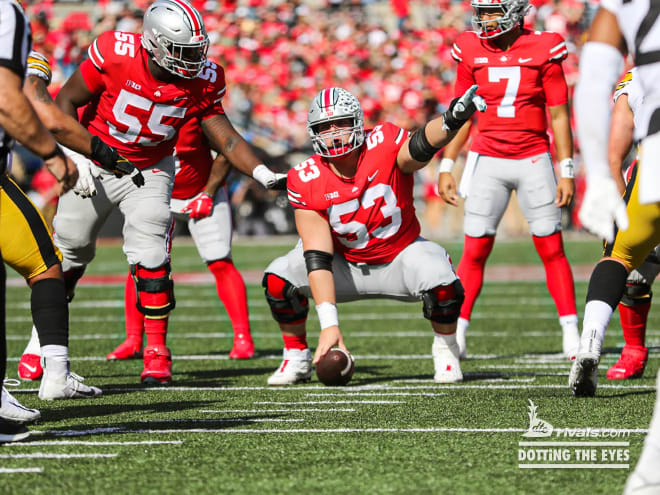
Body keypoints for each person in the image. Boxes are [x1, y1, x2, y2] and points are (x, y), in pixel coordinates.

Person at [50, 0, 283, 385]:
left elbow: (224, 138)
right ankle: (41, 344)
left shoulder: (203, 78)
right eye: (183, 50)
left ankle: (157, 352)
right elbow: (66, 102)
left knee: (153, 250)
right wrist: (74, 155)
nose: (193, 58)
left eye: (197, 49)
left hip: (151, 166)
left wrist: (262, 172)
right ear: (154, 43)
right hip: (96, 155)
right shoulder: (115, 52)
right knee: (70, 250)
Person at [262, 85, 486, 385]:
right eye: (324, 127)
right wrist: (329, 325)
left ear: (357, 122)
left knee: (443, 282)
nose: (334, 133)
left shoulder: (382, 141)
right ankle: (296, 355)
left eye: (340, 123)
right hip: (346, 265)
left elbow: (418, 148)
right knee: (279, 278)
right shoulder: (305, 177)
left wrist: (451, 120)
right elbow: (316, 256)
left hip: (401, 256)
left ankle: (446, 349)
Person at [437, 0, 579, 360]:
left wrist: (566, 169)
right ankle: (458, 335)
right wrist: (446, 165)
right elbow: (461, 113)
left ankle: (571, 332)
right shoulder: (470, 48)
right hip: (487, 159)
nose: (484, 19)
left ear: (516, 12)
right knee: (474, 251)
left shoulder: (544, 47)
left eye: (493, 11)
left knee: (551, 247)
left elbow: (559, 115)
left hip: (533, 157)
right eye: (482, 11)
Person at [13, 49, 143, 399]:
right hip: (80, 161)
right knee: (50, 266)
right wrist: (70, 155)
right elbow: (44, 111)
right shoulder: (24, 51)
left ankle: (39, 358)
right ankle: (52, 370)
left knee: (60, 263)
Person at [570, 2, 660, 492]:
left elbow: (606, 101)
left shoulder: (627, 17)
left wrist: (601, 175)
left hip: (654, 167)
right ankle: (632, 347)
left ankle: (591, 342)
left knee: (622, 258)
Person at [107, 119, 255, 361]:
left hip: (203, 191)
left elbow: (228, 149)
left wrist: (208, 192)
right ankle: (133, 338)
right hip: (158, 195)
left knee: (220, 262)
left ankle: (243, 338)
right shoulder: (141, 110)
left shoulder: (195, 109)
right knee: (142, 263)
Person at [0, 0, 81, 440]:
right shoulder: (6, 16)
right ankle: (54, 370)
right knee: (44, 263)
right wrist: (55, 154)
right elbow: (18, 100)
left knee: (44, 262)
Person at [603, 68, 657, 382]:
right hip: (650, 187)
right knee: (633, 275)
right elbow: (616, 149)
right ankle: (634, 349)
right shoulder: (637, 76)